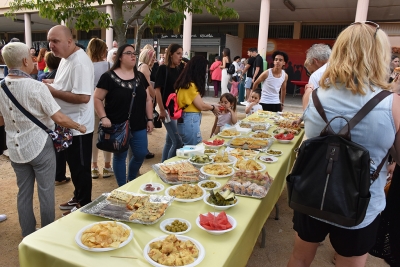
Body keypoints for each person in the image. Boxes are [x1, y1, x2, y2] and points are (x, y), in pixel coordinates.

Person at [287, 21, 400, 267]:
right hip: (360, 205)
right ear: (379, 55)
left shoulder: (314, 94)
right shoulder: (392, 104)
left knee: (299, 257)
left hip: (312, 193)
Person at [0, 42, 86, 236]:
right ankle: (47, 235)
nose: (33, 60)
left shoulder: (1, 87)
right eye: (31, 58)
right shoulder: (36, 87)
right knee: (46, 192)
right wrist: (79, 126)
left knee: (24, 193)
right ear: (24, 60)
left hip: (15, 148)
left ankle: (28, 235)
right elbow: (58, 118)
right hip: (39, 146)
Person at [44, 25, 95, 216]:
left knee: (80, 168)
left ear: (69, 41)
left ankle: (85, 203)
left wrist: (53, 91)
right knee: (74, 167)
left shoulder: (79, 62)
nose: (51, 45)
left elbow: (83, 97)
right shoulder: (65, 59)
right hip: (67, 124)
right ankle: (78, 196)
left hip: (78, 126)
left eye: (55, 41)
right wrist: (53, 84)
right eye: (50, 41)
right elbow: (67, 86)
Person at [94, 44, 154, 186]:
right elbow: (97, 98)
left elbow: (147, 99)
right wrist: (103, 117)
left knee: (140, 154)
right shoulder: (108, 77)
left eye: (134, 53)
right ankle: (123, 186)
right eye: (129, 53)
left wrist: (150, 119)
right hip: (116, 125)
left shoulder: (139, 76)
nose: (133, 56)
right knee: (120, 156)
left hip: (139, 124)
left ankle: (131, 178)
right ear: (120, 57)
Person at [175, 56, 220, 145]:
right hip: (190, 120)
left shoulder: (185, 83)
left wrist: (213, 105)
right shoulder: (190, 85)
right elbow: (201, 106)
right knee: (194, 149)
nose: (206, 73)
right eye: (205, 70)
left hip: (185, 120)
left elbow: (197, 102)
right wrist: (213, 108)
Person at [86, 38, 114, 179]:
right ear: (103, 50)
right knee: (107, 133)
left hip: (90, 103)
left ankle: (94, 166)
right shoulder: (109, 64)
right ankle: (107, 166)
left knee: (94, 135)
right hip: (107, 102)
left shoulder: (86, 66)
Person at [154, 43, 184, 162]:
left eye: (181, 53)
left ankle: (162, 164)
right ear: (171, 54)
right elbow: (157, 90)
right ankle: (166, 166)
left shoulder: (180, 68)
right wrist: (161, 109)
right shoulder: (163, 69)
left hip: (176, 109)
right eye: (178, 53)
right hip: (166, 110)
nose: (180, 56)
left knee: (169, 140)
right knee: (177, 141)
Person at [138, 48, 156, 159]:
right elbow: (147, 85)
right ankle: (143, 151)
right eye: (152, 57)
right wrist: (155, 96)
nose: (154, 59)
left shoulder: (142, 65)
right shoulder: (144, 66)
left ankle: (143, 150)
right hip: (146, 98)